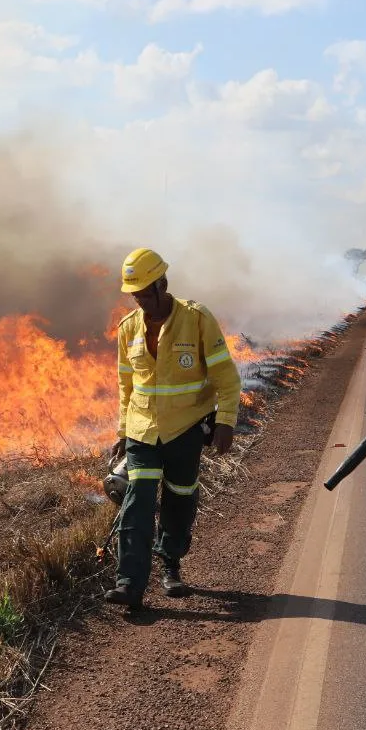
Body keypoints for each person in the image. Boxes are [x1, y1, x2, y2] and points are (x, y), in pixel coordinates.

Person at [105, 247, 242, 610]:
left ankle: (171, 564)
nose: (140, 301)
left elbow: (226, 377)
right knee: (138, 499)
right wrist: (122, 432)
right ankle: (129, 583)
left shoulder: (196, 319)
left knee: (180, 498)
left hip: (185, 428)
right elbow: (126, 385)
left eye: (145, 292)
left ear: (163, 283)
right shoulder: (128, 328)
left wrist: (225, 420)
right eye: (134, 294)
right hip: (143, 430)